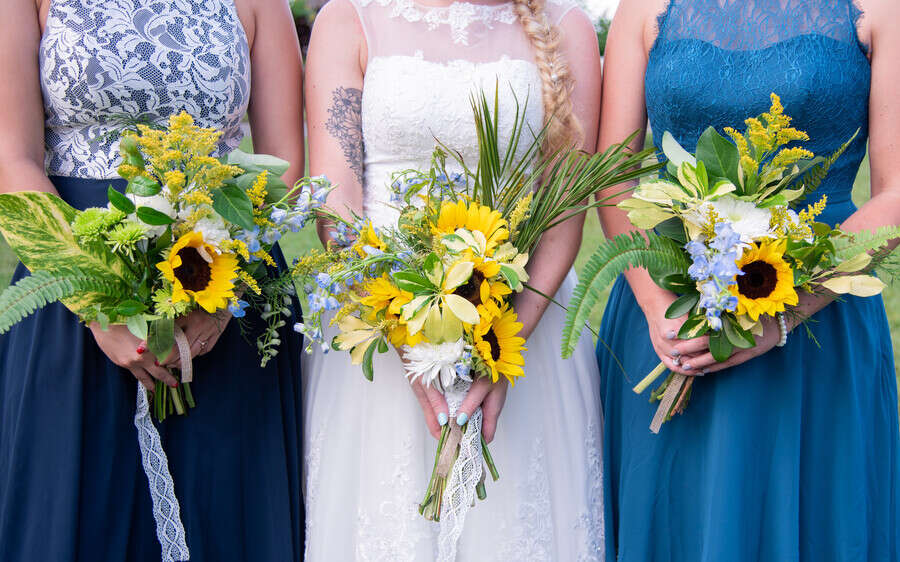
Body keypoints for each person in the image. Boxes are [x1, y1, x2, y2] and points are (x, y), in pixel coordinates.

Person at [0, 0, 305, 559]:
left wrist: (223, 296)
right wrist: (97, 304)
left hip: (223, 289)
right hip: (73, 288)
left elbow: (284, 162)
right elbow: (12, 159)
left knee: (222, 517)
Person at [596, 0, 900, 559]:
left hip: (819, 320)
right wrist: (654, 301)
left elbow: (896, 193)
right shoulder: (642, 7)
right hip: (665, 309)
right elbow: (610, 175)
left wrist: (781, 315)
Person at [302, 0, 605, 559]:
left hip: (522, 325)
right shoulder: (347, 18)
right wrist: (403, 336)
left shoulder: (569, 28)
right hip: (377, 321)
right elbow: (335, 204)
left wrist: (502, 345)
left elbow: (564, 212)